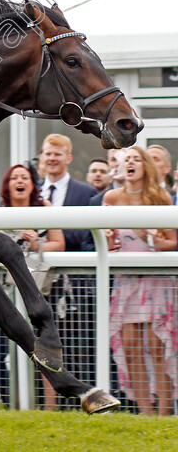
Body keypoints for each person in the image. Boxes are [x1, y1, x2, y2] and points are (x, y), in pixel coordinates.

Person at [104, 146, 177, 415]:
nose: (131, 163)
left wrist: (150, 238)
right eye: (128, 160)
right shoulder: (111, 197)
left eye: (137, 159)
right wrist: (109, 243)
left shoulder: (160, 197)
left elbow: (171, 241)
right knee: (132, 348)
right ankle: (145, 413)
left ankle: (165, 414)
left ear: (146, 165)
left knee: (157, 348)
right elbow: (105, 240)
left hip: (156, 281)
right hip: (126, 282)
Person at [0, 164, 65, 410]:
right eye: (14, 177)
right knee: (12, 349)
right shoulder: (0, 212)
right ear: (7, 185)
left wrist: (37, 243)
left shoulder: (44, 208)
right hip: (7, 290)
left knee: (44, 347)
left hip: (41, 290)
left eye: (24, 177)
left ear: (32, 184)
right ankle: (16, 405)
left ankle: (49, 408)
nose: (19, 181)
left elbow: (59, 244)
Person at [38, 133, 98, 410]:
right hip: (42, 284)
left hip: (76, 286)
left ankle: (80, 402)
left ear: (68, 158)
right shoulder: (33, 192)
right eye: (47, 153)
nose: (51, 159)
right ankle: (47, 405)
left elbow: (87, 237)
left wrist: (57, 238)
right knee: (45, 346)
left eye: (57, 154)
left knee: (77, 345)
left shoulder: (86, 193)